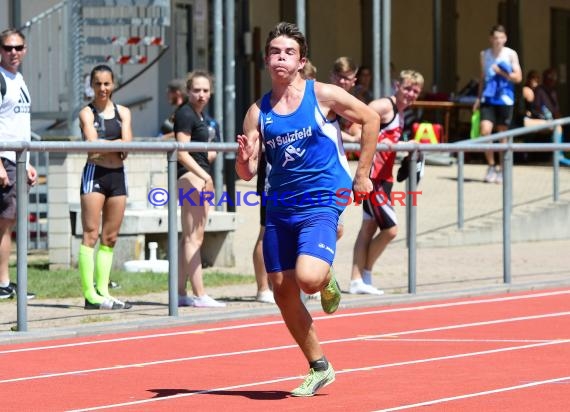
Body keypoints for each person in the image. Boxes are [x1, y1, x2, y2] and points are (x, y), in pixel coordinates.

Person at [235, 22, 379, 397]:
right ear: (267, 60)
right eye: (275, 52)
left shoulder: (324, 95)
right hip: (279, 204)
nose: (280, 58)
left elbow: (371, 119)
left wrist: (362, 174)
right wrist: (244, 160)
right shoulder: (258, 111)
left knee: (308, 278)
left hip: (321, 197)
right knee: (282, 291)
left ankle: (325, 274)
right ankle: (319, 366)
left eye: (288, 52)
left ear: (301, 61)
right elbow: (247, 172)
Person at [350, 70, 424, 295]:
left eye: (415, 91)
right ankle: (365, 274)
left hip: (386, 178)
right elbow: (356, 124)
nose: (411, 94)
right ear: (397, 86)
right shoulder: (383, 106)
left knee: (368, 228)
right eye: (408, 88)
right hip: (372, 179)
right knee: (390, 230)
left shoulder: (401, 114)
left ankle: (357, 280)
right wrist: (377, 142)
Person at [78, 64, 132, 310]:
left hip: (118, 176)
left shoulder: (123, 112)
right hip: (95, 174)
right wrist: (115, 143)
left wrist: (106, 144)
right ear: (92, 85)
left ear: (114, 85)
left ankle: (103, 291)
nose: (102, 88)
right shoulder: (87, 113)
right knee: (90, 234)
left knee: (110, 237)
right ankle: (90, 295)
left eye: (106, 83)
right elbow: (92, 145)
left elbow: (129, 146)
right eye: (98, 83)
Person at [174, 70, 225, 308]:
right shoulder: (185, 113)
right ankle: (199, 294)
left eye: (205, 90)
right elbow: (182, 152)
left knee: (191, 237)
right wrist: (203, 175)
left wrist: (210, 157)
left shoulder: (200, 115)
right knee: (194, 238)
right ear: (188, 91)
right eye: (196, 90)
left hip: (197, 176)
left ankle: (180, 292)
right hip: (191, 178)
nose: (201, 94)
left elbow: (200, 153)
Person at [0, 28, 37, 300]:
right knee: (4, 222)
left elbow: (19, 126)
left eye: (18, 47)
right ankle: (2, 283)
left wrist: (28, 162)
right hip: (4, 158)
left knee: (9, 223)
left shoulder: (19, 78)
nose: (13, 52)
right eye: (8, 47)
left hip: (19, 159)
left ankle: (6, 281)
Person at [473, 24, 522, 184]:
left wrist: (501, 72)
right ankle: (491, 165)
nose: (498, 41)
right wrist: (478, 98)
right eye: (495, 38)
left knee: (502, 134)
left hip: (505, 98)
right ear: (491, 39)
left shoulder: (510, 54)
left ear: (505, 38)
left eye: (501, 38)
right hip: (488, 97)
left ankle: (502, 168)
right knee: (485, 130)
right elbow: (482, 77)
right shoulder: (484, 54)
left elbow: (518, 77)